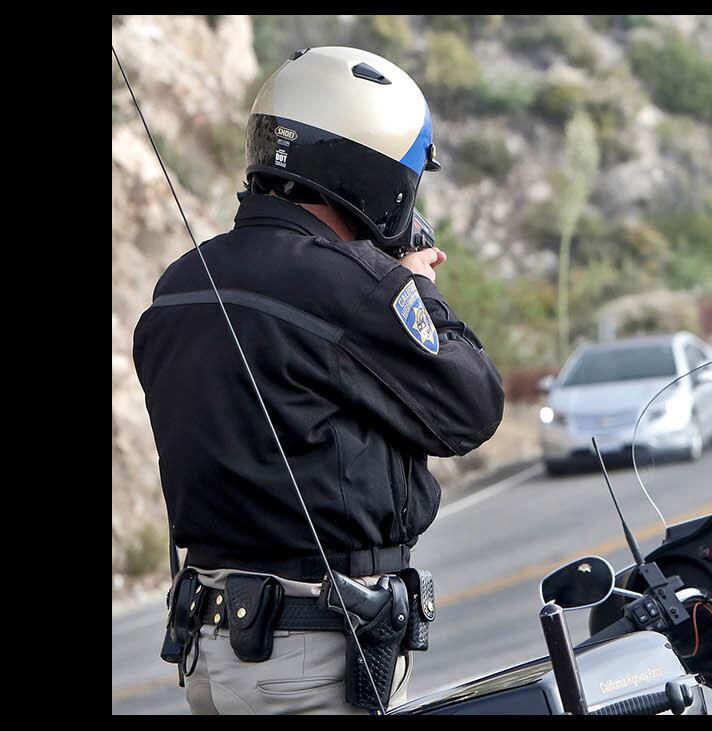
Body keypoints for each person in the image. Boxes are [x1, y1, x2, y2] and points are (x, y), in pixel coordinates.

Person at [133, 46, 505, 714]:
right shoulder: (352, 285)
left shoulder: (179, 284)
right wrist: (421, 291)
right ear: (367, 172)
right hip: (311, 658)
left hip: (213, 652)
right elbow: (470, 407)